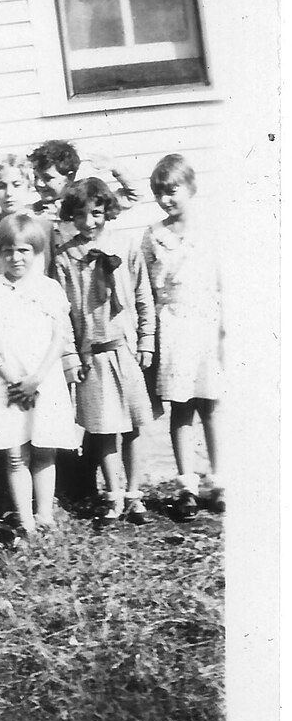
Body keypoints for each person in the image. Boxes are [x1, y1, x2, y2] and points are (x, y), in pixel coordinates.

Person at [0, 214, 80, 536]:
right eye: (8, 250)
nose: (15, 258)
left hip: (42, 379)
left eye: (23, 251)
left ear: (36, 251)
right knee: (16, 453)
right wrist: (12, 379)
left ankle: (45, 515)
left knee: (45, 449)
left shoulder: (49, 288)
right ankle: (26, 521)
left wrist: (36, 379)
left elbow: (60, 337)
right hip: (4, 383)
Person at [52, 179, 155, 524]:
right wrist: (70, 356)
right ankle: (113, 496)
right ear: (71, 216)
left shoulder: (125, 246)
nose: (90, 222)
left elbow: (143, 296)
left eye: (96, 213)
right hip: (91, 354)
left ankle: (134, 495)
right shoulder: (66, 257)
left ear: (107, 211)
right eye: (80, 215)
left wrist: (146, 340)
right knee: (105, 429)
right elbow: (63, 312)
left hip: (126, 349)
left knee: (136, 425)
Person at [142, 154, 225, 517]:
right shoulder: (153, 235)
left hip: (206, 320)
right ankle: (186, 485)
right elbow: (145, 283)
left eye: (172, 190)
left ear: (191, 187)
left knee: (210, 405)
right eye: (159, 193)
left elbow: (223, 279)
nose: (166, 200)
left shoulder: (210, 230)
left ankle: (220, 481)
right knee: (182, 407)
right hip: (172, 325)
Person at [29, 139, 139, 222]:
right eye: (36, 177)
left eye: (47, 178)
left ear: (70, 177)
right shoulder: (33, 213)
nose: (39, 183)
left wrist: (117, 169)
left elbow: (134, 195)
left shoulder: (87, 201)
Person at [0, 153, 37, 279]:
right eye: (1, 186)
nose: (9, 193)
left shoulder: (40, 226)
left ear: (28, 185)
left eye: (16, 185)